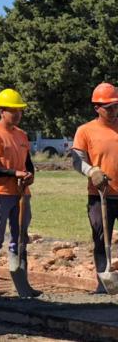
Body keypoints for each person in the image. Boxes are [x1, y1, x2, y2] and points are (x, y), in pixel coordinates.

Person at [0, 88, 40, 297]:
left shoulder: (22, 135)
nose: (18, 114)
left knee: (20, 237)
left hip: (22, 193)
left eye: (20, 111)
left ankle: (22, 285)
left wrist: (29, 175)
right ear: (1, 111)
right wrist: (14, 173)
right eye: (13, 110)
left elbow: (28, 164)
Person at [72, 82, 118, 294]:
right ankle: (103, 282)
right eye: (108, 107)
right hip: (100, 195)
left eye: (116, 106)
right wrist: (92, 172)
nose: (113, 111)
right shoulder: (85, 131)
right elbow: (77, 160)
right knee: (101, 238)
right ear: (96, 107)